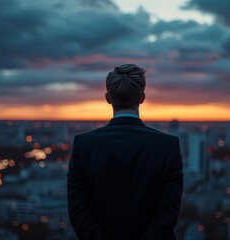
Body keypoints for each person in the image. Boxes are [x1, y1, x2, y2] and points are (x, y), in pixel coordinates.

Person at [67, 64, 183, 240]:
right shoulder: (168, 146)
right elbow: (168, 215)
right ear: (142, 98)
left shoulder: (84, 145)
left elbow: (79, 214)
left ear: (108, 98)